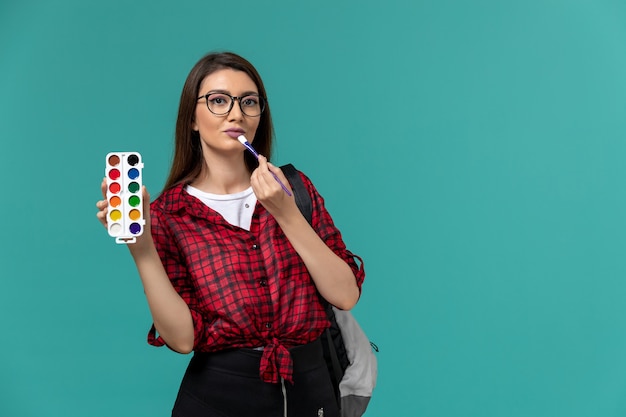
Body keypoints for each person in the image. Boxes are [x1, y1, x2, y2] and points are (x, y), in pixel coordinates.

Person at [95, 51, 365, 417]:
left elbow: (345, 295)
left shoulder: (295, 188)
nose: (236, 113)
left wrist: (286, 214)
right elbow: (182, 338)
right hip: (218, 398)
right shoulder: (169, 214)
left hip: (311, 392)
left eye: (248, 102)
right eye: (219, 101)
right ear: (192, 117)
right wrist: (140, 247)